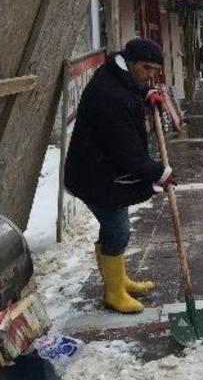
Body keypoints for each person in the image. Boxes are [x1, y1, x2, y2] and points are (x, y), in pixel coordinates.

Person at [64, 38, 176, 314]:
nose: (150, 75)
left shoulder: (116, 74)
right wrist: (159, 173)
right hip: (96, 175)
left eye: (155, 70)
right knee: (118, 229)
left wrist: (146, 95)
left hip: (102, 171)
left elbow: (130, 91)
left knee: (113, 227)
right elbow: (126, 151)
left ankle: (118, 279)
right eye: (146, 68)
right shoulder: (109, 96)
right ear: (131, 62)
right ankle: (113, 292)